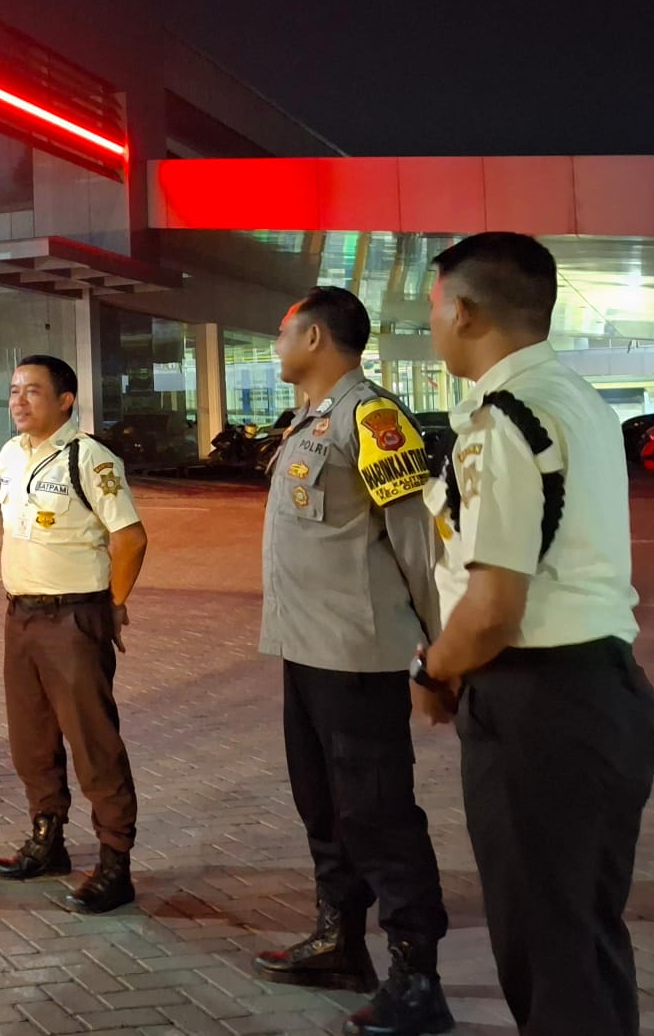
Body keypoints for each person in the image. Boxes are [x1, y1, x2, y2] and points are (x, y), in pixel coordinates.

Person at [415, 233, 654, 1036]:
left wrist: (434, 670)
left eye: (433, 307)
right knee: (583, 936)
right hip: (598, 692)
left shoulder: (504, 420)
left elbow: (494, 606)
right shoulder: (578, 399)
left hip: (537, 706)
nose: (431, 323)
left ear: (464, 310)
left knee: (548, 947)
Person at [254, 287, 454, 1036]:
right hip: (304, 649)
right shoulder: (310, 420)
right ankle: (339, 939)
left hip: (356, 655)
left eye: (283, 332)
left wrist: (438, 648)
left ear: (313, 337)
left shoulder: (371, 419)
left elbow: (417, 542)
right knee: (323, 803)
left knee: (378, 812)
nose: (276, 346)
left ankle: (417, 976)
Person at [0, 354, 149, 914]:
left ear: (65, 400)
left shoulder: (89, 457)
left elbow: (130, 538)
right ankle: (47, 840)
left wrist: (115, 605)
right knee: (30, 738)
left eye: (32, 390)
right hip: (21, 616)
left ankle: (115, 862)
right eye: (14, 390)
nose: (19, 400)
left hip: (74, 619)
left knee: (93, 741)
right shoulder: (10, 454)